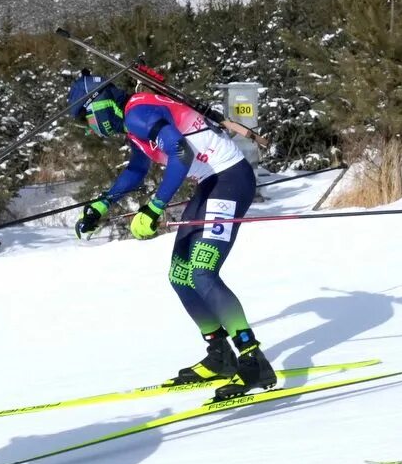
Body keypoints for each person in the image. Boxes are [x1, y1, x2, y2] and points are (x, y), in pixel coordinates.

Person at [68, 70, 272, 400]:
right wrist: (101, 206)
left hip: (230, 178)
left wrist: (153, 208)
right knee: (181, 276)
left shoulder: (137, 114)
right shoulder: (134, 121)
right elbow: (136, 170)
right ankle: (220, 354)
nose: (91, 128)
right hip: (211, 183)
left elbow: (180, 154)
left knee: (203, 273)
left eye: (87, 118)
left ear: (100, 105)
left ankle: (253, 360)